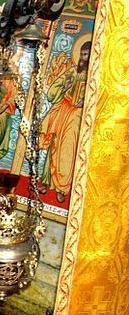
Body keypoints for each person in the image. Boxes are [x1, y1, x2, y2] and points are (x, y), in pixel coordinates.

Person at [38, 37, 92, 203]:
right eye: (82, 54)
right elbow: (52, 92)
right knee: (54, 144)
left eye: (87, 55)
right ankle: (46, 182)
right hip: (63, 109)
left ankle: (63, 187)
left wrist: (85, 102)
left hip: (77, 115)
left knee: (68, 148)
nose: (84, 58)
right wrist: (65, 86)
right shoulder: (72, 72)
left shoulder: (94, 77)